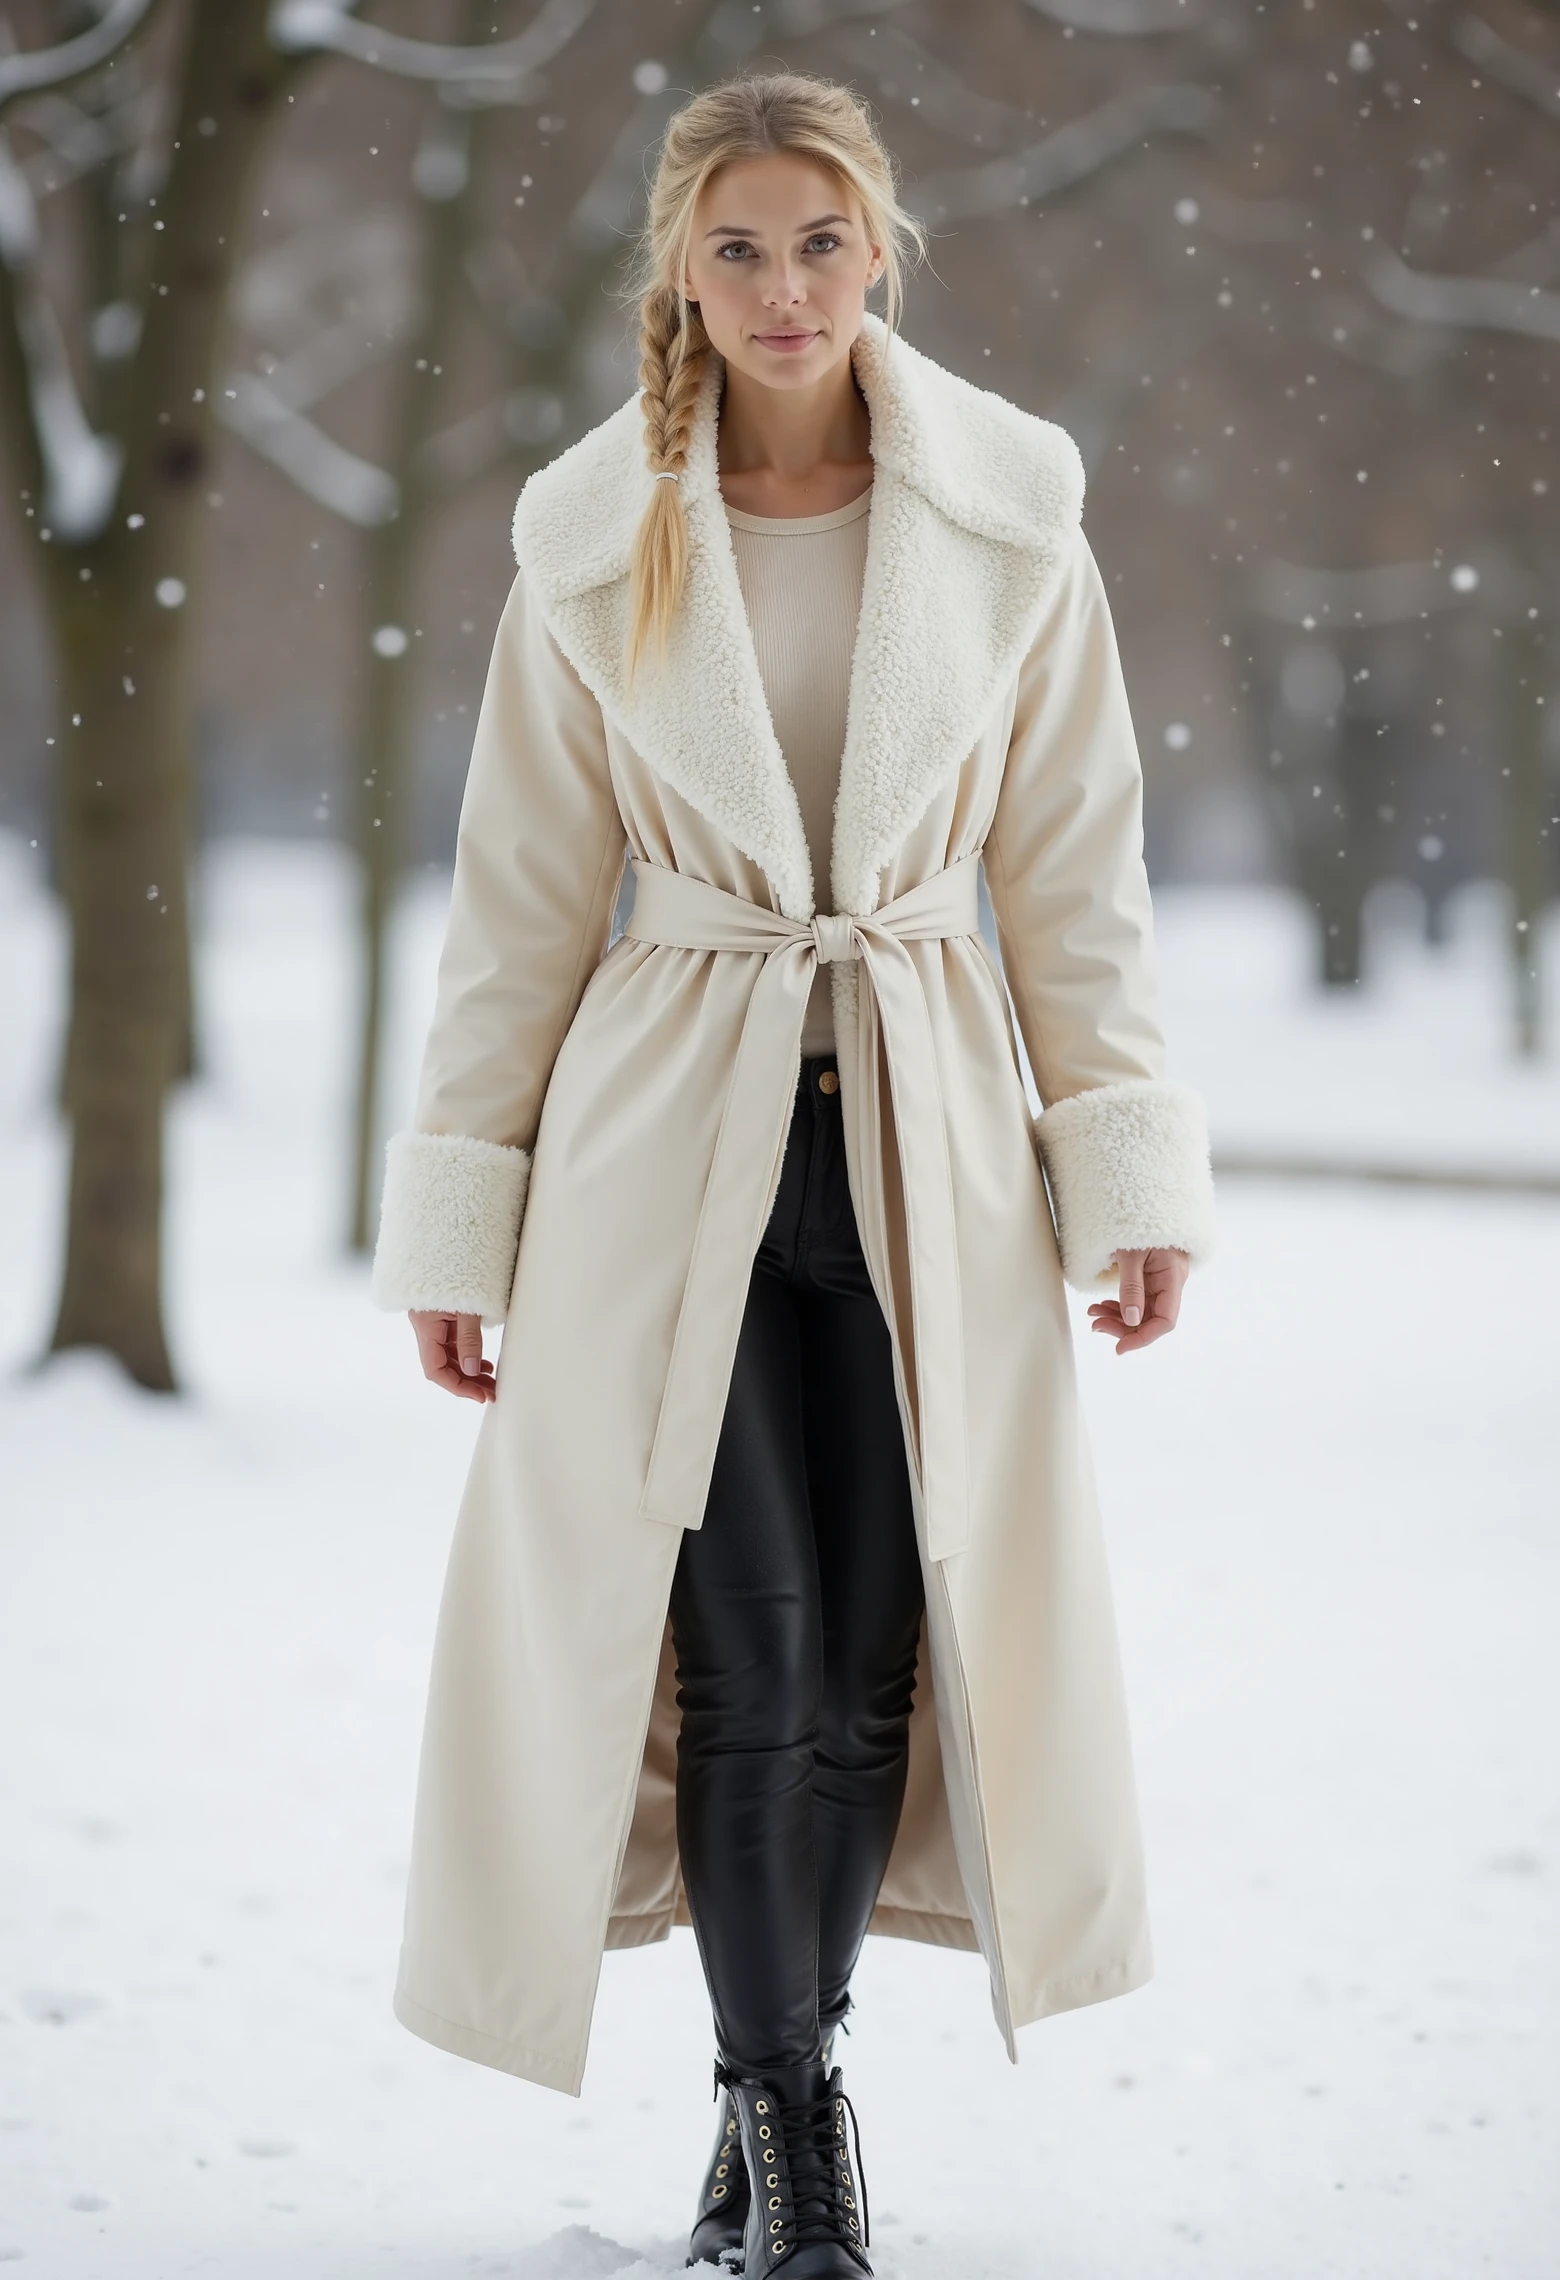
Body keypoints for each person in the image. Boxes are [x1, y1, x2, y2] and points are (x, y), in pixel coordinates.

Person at [371, 71, 1216, 2280]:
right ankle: (799, 2123)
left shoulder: (1018, 520)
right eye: (735, 247)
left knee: (874, 1668)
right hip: (673, 1160)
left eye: (819, 242)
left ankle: (773, 2106)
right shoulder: (594, 541)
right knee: (741, 1656)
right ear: (677, 264)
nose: (781, 289)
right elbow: (521, 906)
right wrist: (467, 1193)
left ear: (885, 248)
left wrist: (1121, 1164)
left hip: (933, 1143)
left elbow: (1074, 879)